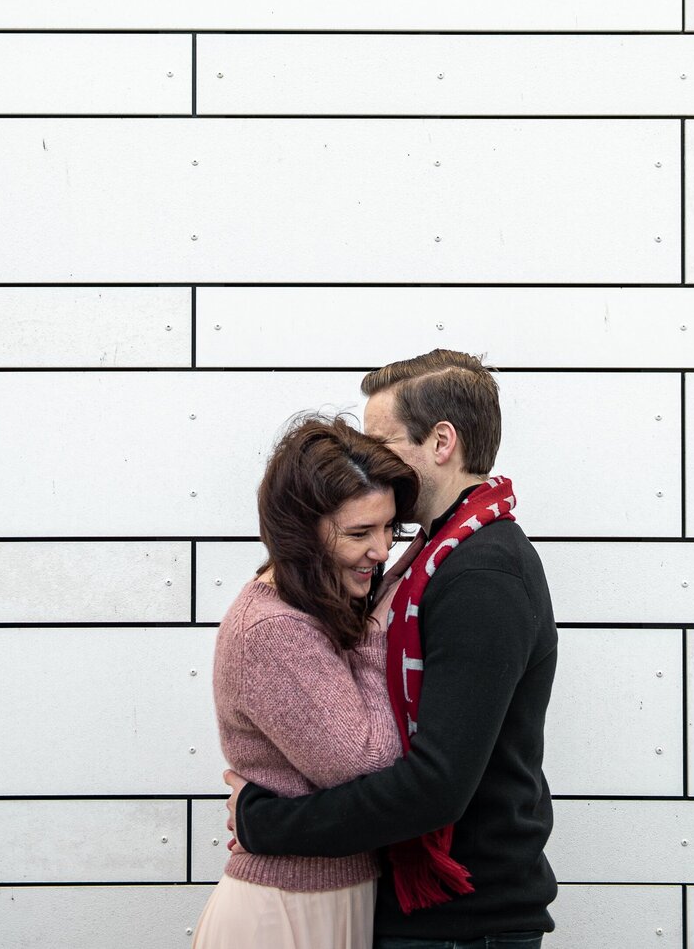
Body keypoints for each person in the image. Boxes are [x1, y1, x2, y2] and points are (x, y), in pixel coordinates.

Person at [227, 349, 558, 948]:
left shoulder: (482, 573)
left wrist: (265, 822)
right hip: (430, 912)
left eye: (382, 440)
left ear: (441, 442)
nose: (372, 458)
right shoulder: (428, 558)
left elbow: (436, 786)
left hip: (464, 923)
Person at [191, 414, 420, 949]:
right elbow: (368, 766)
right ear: (302, 532)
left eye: (390, 529)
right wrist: (373, 631)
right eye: (360, 533)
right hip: (283, 916)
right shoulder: (273, 630)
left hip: (323, 903)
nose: (382, 551)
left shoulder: (312, 610)